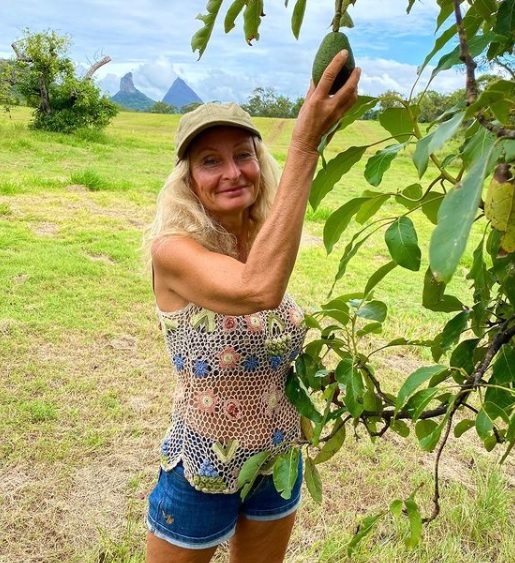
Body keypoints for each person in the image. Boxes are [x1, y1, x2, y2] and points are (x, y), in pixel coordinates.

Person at [143, 50, 360, 563]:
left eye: (243, 154)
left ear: (259, 162)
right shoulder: (172, 252)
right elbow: (256, 291)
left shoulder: (265, 240)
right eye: (210, 161)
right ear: (188, 179)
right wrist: (307, 143)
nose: (232, 172)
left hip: (278, 461)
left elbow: (270, 327)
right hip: (201, 467)